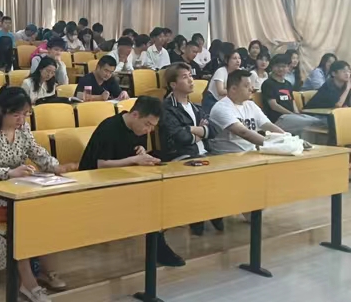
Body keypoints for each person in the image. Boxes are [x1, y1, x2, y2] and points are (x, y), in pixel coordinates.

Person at [0, 87, 76, 301]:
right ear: (2, 110)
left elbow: (36, 151)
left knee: (44, 213)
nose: (21, 120)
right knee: (20, 221)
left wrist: (55, 166)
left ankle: (45, 269)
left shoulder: (23, 129)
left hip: (14, 188)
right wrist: (9, 172)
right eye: (16, 114)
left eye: (25, 114)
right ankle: (28, 283)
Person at [78, 96, 185, 266]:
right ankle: (158, 248)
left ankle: (158, 244)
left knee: (161, 194)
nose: (148, 130)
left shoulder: (138, 128)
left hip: (123, 178)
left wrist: (141, 152)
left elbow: (130, 155)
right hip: (96, 182)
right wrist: (134, 160)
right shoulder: (109, 127)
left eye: (153, 127)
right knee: (150, 202)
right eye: (147, 124)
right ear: (135, 115)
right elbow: (100, 165)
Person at [160, 63, 220, 235]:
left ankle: (215, 211)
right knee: (202, 172)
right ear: (173, 84)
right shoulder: (167, 108)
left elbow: (213, 131)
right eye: (185, 77)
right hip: (180, 155)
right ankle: (198, 218)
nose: (191, 80)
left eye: (191, 76)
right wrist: (200, 132)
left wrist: (191, 129)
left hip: (204, 152)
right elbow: (181, 137)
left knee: (228, 167)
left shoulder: (196, 106)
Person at [210, 70, 284, 154]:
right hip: (228, 155)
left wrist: (286, 137)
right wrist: (273, 144)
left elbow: (267, 125)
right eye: (246, 86)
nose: (251, 89)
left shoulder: (251, 105)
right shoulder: (221, 108)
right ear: (234, 89)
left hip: (250, 153)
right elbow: (243, 132)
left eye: (251, 85)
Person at [261, 54, 324, 135]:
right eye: (278, 66)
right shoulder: (268, 84)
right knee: (312, 122)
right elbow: (274, 105)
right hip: (278, 119)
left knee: (317, 121)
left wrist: (296, 113)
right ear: (272, 67)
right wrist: (291, 114)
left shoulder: (288, 84)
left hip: (290, 117)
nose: (280, 69)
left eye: (283, 66)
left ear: (288, 68)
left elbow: (292, 101)